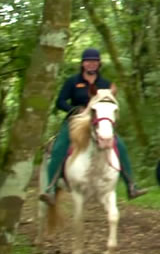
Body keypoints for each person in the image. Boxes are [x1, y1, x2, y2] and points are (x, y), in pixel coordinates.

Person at [39, 48, 147, 205]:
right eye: (88, 61)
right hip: (75, 121)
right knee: (59, 147)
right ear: (83, 64)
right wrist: (75, 109)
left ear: (99, 64)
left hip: (98, 122)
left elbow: (111, 103)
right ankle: (50, 189)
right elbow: (60, 101)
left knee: (120, 146)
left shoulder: (106, 84)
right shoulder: (72, 82)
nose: (91, 64)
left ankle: (132, 186)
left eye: (94, 61)